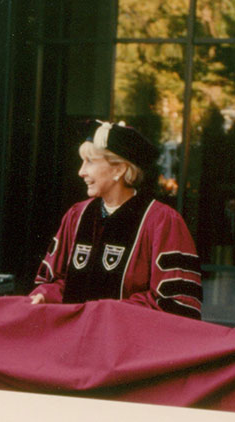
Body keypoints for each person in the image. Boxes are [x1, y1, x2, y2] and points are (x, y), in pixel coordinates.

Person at [30, 120, 202, 318]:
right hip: (76, 338)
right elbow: (58, 281)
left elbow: (174, 302)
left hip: (127, 344)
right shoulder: (77, 216)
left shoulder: (161, 221)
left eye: (90, 162)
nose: (81, 171)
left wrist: (105, 312)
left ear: (118, 170)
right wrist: (45, 295)